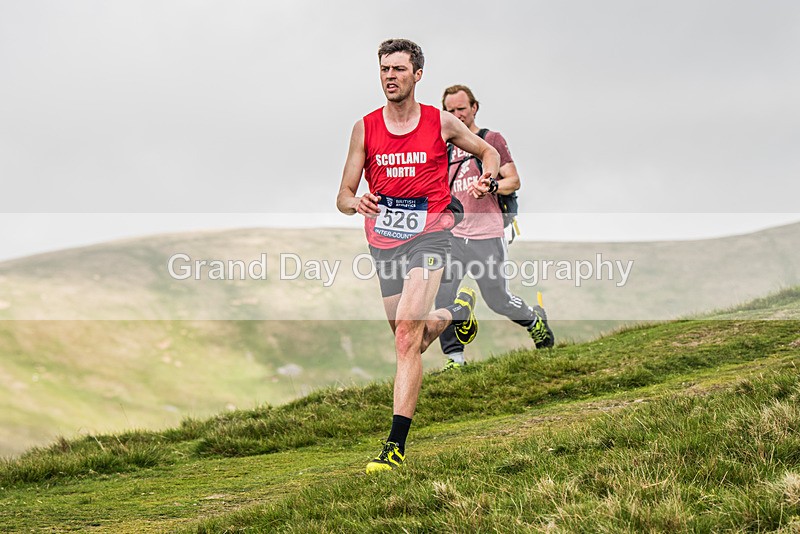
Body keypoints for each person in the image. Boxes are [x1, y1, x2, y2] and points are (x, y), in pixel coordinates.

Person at [336, 40, 501, 474]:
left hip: (431, 236)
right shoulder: (365, 128)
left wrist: (487, 177)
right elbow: (342, 196)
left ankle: (394, 447)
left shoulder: (440, 121)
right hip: (384, 241)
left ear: (418, 75)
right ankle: (455, 312)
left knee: (407, 337)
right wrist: (357, 204)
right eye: (384, 69)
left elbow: (488, 151)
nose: (390, 76)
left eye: (399, 69)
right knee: (408, 337)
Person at [434, 85, 554, 372]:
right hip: (453, 236)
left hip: (487, 235)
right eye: (449, 111)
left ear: (475, 107)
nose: (456, 115)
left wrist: (492, 185)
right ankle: (455, 360)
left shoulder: (491, 140)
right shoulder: (445, 148)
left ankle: (533, 320)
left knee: (497, 300)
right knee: (443, 296)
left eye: (461, 108)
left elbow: (514, 180)